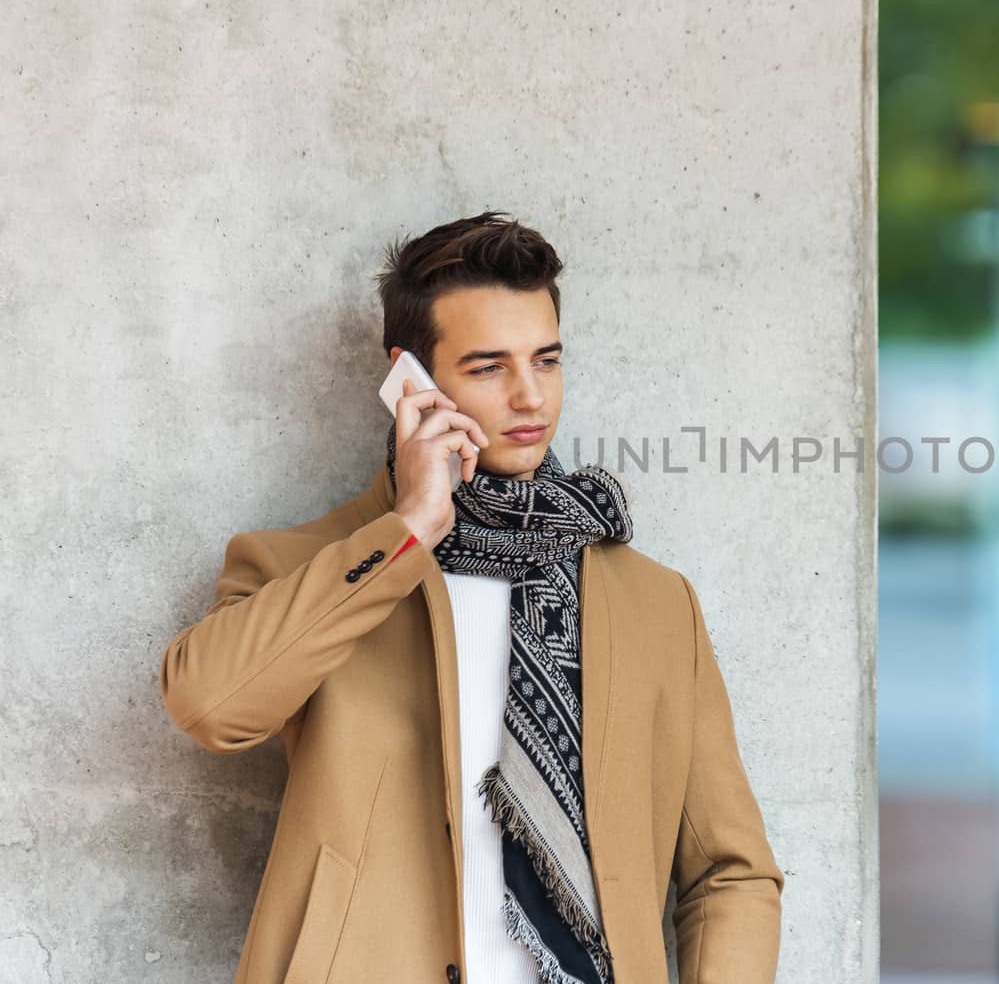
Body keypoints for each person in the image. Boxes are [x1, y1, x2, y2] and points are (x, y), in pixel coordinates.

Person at [158, 211, 784, 984]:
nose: (530, 398)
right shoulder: (307, 567)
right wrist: (410, 529)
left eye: (547, 361)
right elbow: (211, 707)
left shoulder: (655, 603)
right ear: (410, 381)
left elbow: (733, 871)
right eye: (488, 367)